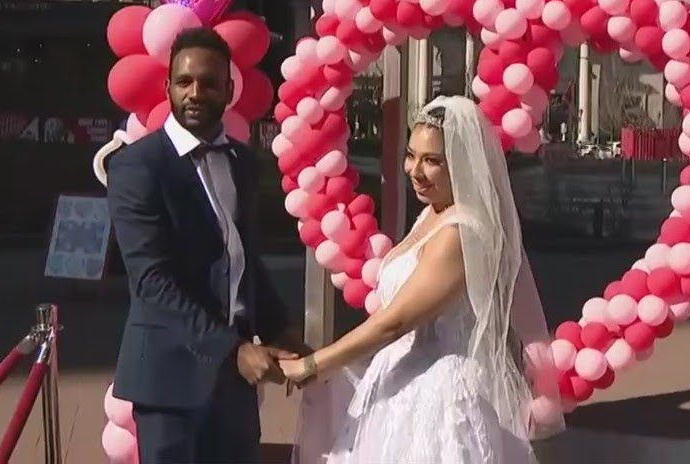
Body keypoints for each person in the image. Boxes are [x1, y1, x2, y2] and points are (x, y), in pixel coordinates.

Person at [282, 95, 565, 463]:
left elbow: (395, 321)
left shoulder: (461, 232)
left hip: (440, 398)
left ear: (462, 163)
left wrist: (315, 365)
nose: (415, 170)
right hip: (400, 386)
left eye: (432, 160)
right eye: (411, 155)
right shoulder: (432, 214)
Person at [106, 27, 308, 463]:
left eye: (209, 82)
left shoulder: (244, 163)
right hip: (168, 383)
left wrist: (281, 328)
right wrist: (233, 350)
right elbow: (152, 283)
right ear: (168, 87)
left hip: (231, 389)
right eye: (184, 82)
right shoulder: (138, 167)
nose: (195, 92)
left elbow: (242, 259)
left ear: (229, 90)